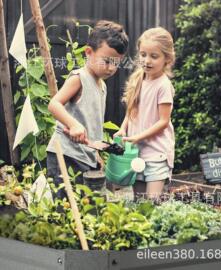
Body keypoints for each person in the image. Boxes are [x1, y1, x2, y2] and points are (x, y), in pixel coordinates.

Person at [46, 20, 129, 198]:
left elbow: (92, 123)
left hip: (85, 156)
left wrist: (95, 154)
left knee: (87, 209)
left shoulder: (102, 86)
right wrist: (73, 124)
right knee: (65, 207)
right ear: (89, 52)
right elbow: (54, 104)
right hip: (65, 155)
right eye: (107, 61)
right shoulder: (79, 78)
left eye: (116, 63)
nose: (112, 68)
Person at [114, 27, 175, 201]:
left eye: (154, 56)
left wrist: (138, 136)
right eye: (143, 54)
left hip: (157, 153)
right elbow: (131, 110)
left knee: (152, 201)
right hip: (136, 151)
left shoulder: (163, 85)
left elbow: (163, 121)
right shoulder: (139, 78)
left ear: (167, 59)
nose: (146, 60)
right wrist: (123, 129)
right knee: (139, 202)